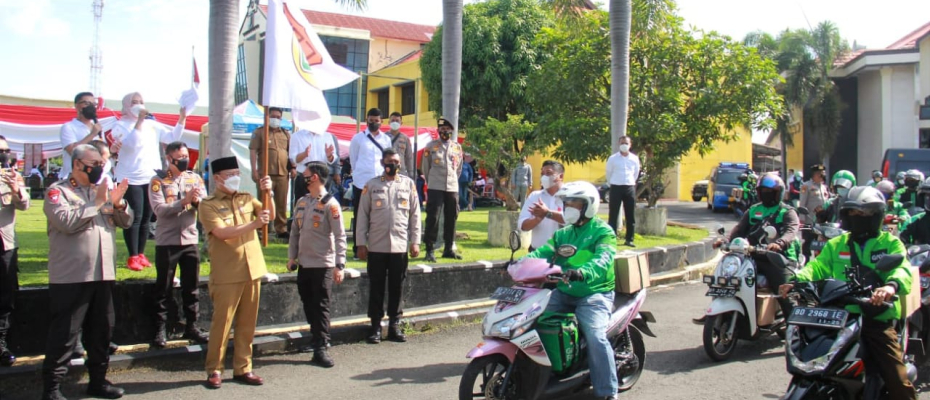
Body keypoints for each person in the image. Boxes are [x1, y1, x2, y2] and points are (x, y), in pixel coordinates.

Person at [779, 186, 917, 400]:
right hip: (838, 315)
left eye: (865, 213)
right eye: (854, 213)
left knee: (896, 378)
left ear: (877, 215)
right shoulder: (837, 244)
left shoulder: (890, 243)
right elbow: (817, 267)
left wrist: (890, 287)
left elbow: (903, 269)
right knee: (810, 359)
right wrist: (796, 280)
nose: (859, 218)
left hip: (875, 317)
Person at [42, 144, 132, 400]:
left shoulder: (99, 191)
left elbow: (126, 222)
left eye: (101, 164)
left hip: (103, 274)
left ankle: (98, 381)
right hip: (72, 277)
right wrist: (97, 203)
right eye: (94, 164)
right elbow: (66, 223)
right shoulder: (58, 192)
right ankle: (51, 388)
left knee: (101, 331)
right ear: (77, 164)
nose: (99, 168)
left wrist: (119, 204)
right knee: (65, 335)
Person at [522, 181, 619, 400]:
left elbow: (603, 260)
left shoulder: (603, 232)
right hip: (564, 291)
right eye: (566, 203)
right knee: (529, 319)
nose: (569, 207)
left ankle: (607, 392)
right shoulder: (563, 233)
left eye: (574, 203)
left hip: (594, 293)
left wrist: (583, 272)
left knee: (596, 336)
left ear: (589, 205)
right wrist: (519, 263)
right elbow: (543, 253)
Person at [198, 156, 273, 389]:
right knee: (222, 324)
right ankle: (214, 369)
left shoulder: (247, 198)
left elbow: (269, 214)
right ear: (217, 178)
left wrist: (269, 192)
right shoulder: (208, 204)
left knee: (247, 324)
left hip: (252, 269)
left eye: (237, 173)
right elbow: (221, 233)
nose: (235, 178)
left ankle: (243, 367)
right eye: (229, 175)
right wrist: (254, 225)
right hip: (227, 273)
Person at [110, 92, 188, 272]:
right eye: (134, 102)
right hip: (130, 177)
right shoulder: (120, 126)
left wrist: (182, 118)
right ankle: (132, 255)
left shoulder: (153, 125)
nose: (138, 105)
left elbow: (171, 138)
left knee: (146, 216)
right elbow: (132, 144)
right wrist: (139, 121)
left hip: (149, 176)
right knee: (134, 216)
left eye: (140, 102)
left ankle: (141, 253)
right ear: (126, 106)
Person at [711, 173, 800, 319]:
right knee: (725, 277)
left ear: (778, 193)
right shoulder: (753, 210)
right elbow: (739, 229)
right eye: (762, 191)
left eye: (769, 192)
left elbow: (791, 231)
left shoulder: (787, 212)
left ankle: (794, 325)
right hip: (752, 255)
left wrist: (779, 243)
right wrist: (726, 241)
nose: (765, 194)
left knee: (784, 293)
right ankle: (717, 310)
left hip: (778, 259)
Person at [356, 149, 420, 345]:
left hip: (399, 246)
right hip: (376, 246)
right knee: (376, 288)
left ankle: (394, 325)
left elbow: (415, 215)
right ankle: (375, 326)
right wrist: (360, 243)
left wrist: (415, 241)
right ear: (383, 162)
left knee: (397, 287)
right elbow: (362, 216)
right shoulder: (372, 185)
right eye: (390, 161)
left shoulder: (408, 185)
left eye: (396, 161)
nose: (393, 164)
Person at [148, 142, 209, 348]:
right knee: (163, 287)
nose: (184, 160)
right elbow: (159, 210)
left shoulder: (195, 178)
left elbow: (205, 206)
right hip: (168, 241)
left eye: (185, 156)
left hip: (190, 239)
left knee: (191, 286)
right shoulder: (158, 181)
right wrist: (183, 202)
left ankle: (192, 325)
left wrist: (198, 201)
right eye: (179, 157)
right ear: (169, 159)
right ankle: (159, 328)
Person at [288, 161, 347, 368]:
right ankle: (315, 338)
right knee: (308, 302)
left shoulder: (331, 204)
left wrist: (340, 265)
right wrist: (291, 256)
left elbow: (340, 236)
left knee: (321, 305)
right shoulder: (303, 202)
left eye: (306, 174)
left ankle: (321, 346)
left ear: (314, 177)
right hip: (304, 263)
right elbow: (295, 231)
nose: (302, 177)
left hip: (323, 264)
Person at [349, 108, 392, 258]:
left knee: (378, 216)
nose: (373, 123)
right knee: (360, 216)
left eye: (376, 121)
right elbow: (353, 160)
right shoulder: (358, 138)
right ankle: (358, 249)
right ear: (366, 120)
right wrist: (358, 174)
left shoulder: (386, 140)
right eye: (371, 120)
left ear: (381, 122)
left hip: (380, 182)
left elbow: (388, 159)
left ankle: (375, 248)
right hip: (361, 183)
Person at [0, 136, 27, 367]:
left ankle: (1, 344)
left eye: (6, 150)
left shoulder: (12, 175)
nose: (4, 154)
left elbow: (24, 204)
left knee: (5, 298)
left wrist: (15, 188)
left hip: (5, 245)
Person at [421, 117, 465, 262]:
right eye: (442, 129)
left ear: (451, 131)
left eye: (447, 129)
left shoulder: (457, 147)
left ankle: (448, 249)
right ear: (438, 130)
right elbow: (426, 167)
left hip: (452, 186)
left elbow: (458, 168)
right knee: (433, 217)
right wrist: (431, 180)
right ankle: (429, 249)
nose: (445, 131)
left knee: (451, 217)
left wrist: (453, 179)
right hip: (435, 185)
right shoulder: (430, 146)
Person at [249, 107, 292, 239]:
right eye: (273, 116)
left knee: (281, 202)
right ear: (267, 117)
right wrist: (254, 170)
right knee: (264, 202)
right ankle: (263, 228)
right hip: (265, 174)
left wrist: (292, 168)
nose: (276, 119)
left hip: (282, 173)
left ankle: (281, 229)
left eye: (278, 117)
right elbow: (253, 151)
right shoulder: (260, 132)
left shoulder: (285, 134)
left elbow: (290, 154)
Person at [518, 160, 566, 252]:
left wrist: (548, 213)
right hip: (537, 253)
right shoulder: (535, 196)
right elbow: (522, 226)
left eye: (548, 173)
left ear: (561, 176)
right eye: (542, 173)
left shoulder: (570, 196)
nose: (544, 177)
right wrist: (537, 219)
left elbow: (573, 220)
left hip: (564, 255)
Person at [605, 135, 641, 247]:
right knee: (613, 214)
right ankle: (612, 238)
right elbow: (608, 173)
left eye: (626, 143)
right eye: (622, 143)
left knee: (630, 214)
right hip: (616, 186)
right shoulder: (612, 158)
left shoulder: (634, 158)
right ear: (618, 144)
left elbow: (636, 173)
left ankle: (629, 239)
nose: (624, 145)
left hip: (629, 187)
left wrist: (630, 182)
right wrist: (612, 183)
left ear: (630, 145)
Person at [289, 123, 340, 201]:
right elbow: (293, 159)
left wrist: (329, 156)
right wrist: (304, 154)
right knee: (304, 203)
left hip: (322, 178)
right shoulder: (297, 136)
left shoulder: (327, 136)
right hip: (305, 177)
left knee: (321, 202)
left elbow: (333, 158)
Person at [59, 92, 104, 178]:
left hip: (95, 179)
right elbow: (72, 151)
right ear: (77, 106)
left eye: (94, 104)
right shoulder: (68, 127)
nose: (91, 107)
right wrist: (92, 134)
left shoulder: (97, 127)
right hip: (74, 178)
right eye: (87, 103)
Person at [798, 164, 828, 259]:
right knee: (808, 241)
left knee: (819, 242)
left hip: (821, 221)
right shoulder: (806, 186)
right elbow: (802, 203)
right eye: (820, 174)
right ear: (815, 175)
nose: (822, 176)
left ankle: (818, 259)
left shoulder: (823, 187)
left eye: (823, 174)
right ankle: (806, 259)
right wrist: (802, 219)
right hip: (809, 220)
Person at [900, 178, 930, 245]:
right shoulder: (913, 221)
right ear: (923, 198)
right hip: (922, 255)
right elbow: (902, 242)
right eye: (929, 196)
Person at [386, 112, 415, 180]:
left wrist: (411, 173)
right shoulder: (384, 137)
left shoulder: (405, 138)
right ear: (389, 122)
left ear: (401, 123)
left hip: (401, 172)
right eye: (393, 121)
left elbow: (409, 157)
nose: (395, 122)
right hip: (387, 171)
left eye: (397, 121)